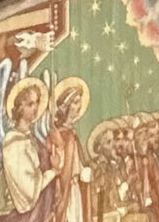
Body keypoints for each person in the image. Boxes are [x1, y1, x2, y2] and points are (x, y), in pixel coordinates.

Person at [0, 78, 60, 222]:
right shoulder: (13, 142)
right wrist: (52, 172)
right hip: (19, 213)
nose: (35, 108)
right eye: (30, 104)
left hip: (37, 208)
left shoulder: (33, 139)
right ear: (19, 107)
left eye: (37, 102)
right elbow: (28, 188)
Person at [48, 79, 95, 222]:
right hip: (66, 191)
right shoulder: (60, 134)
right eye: (75, 102)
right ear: (66, 106)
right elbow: (62, 168)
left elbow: (78, 164)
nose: (79, 106)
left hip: (75, 189)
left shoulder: (72, 134)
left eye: (79, 102)